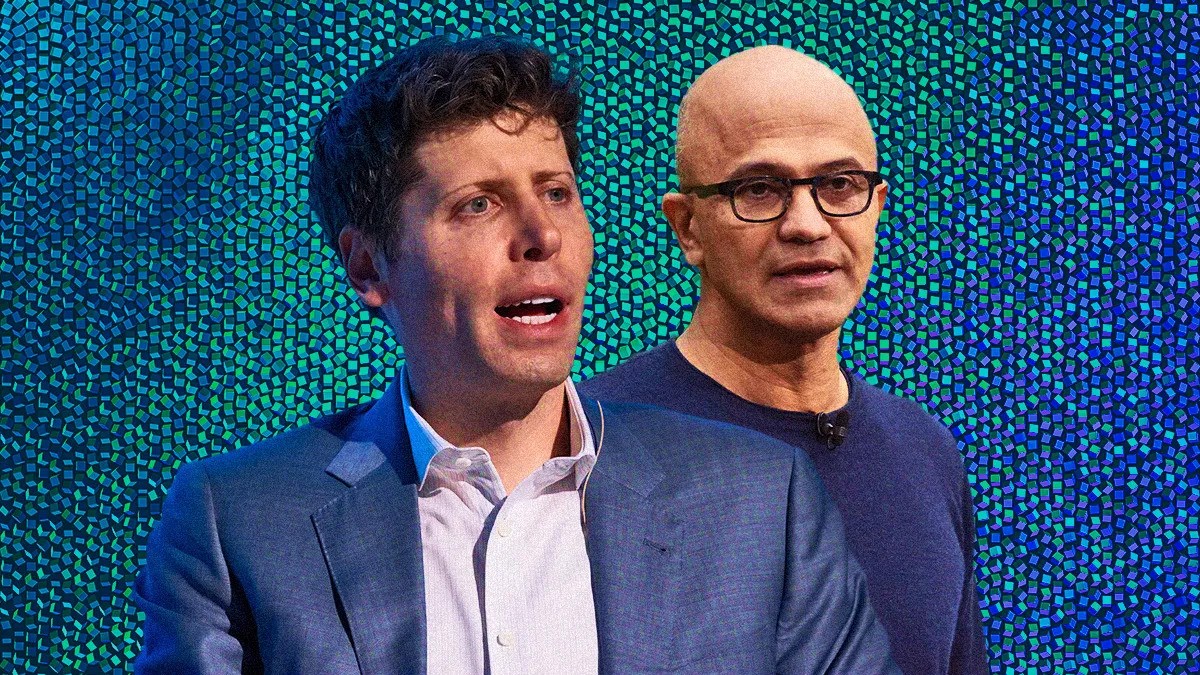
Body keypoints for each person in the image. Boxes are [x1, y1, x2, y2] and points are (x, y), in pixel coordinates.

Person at [132, 36, 899, 674]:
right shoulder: (239, 523)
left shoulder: (763, 501)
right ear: (369, 267)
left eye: (557, 192)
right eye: (480, 204)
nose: (542, 235)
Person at [581, 46, 988, 674]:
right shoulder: (587, 445)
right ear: (687, 227)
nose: (807, 224)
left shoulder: (922, 450)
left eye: (839, 185)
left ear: (877, 206)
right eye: (760, 189)